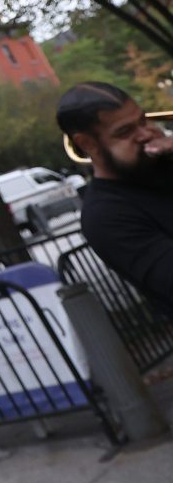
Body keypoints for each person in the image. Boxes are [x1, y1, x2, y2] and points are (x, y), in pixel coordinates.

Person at [59, 82, 173, 317]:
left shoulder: (162, 165)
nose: (146, 133)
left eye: (143, 121)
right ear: (87, 144)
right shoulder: (105, 215)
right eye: (125, 132)